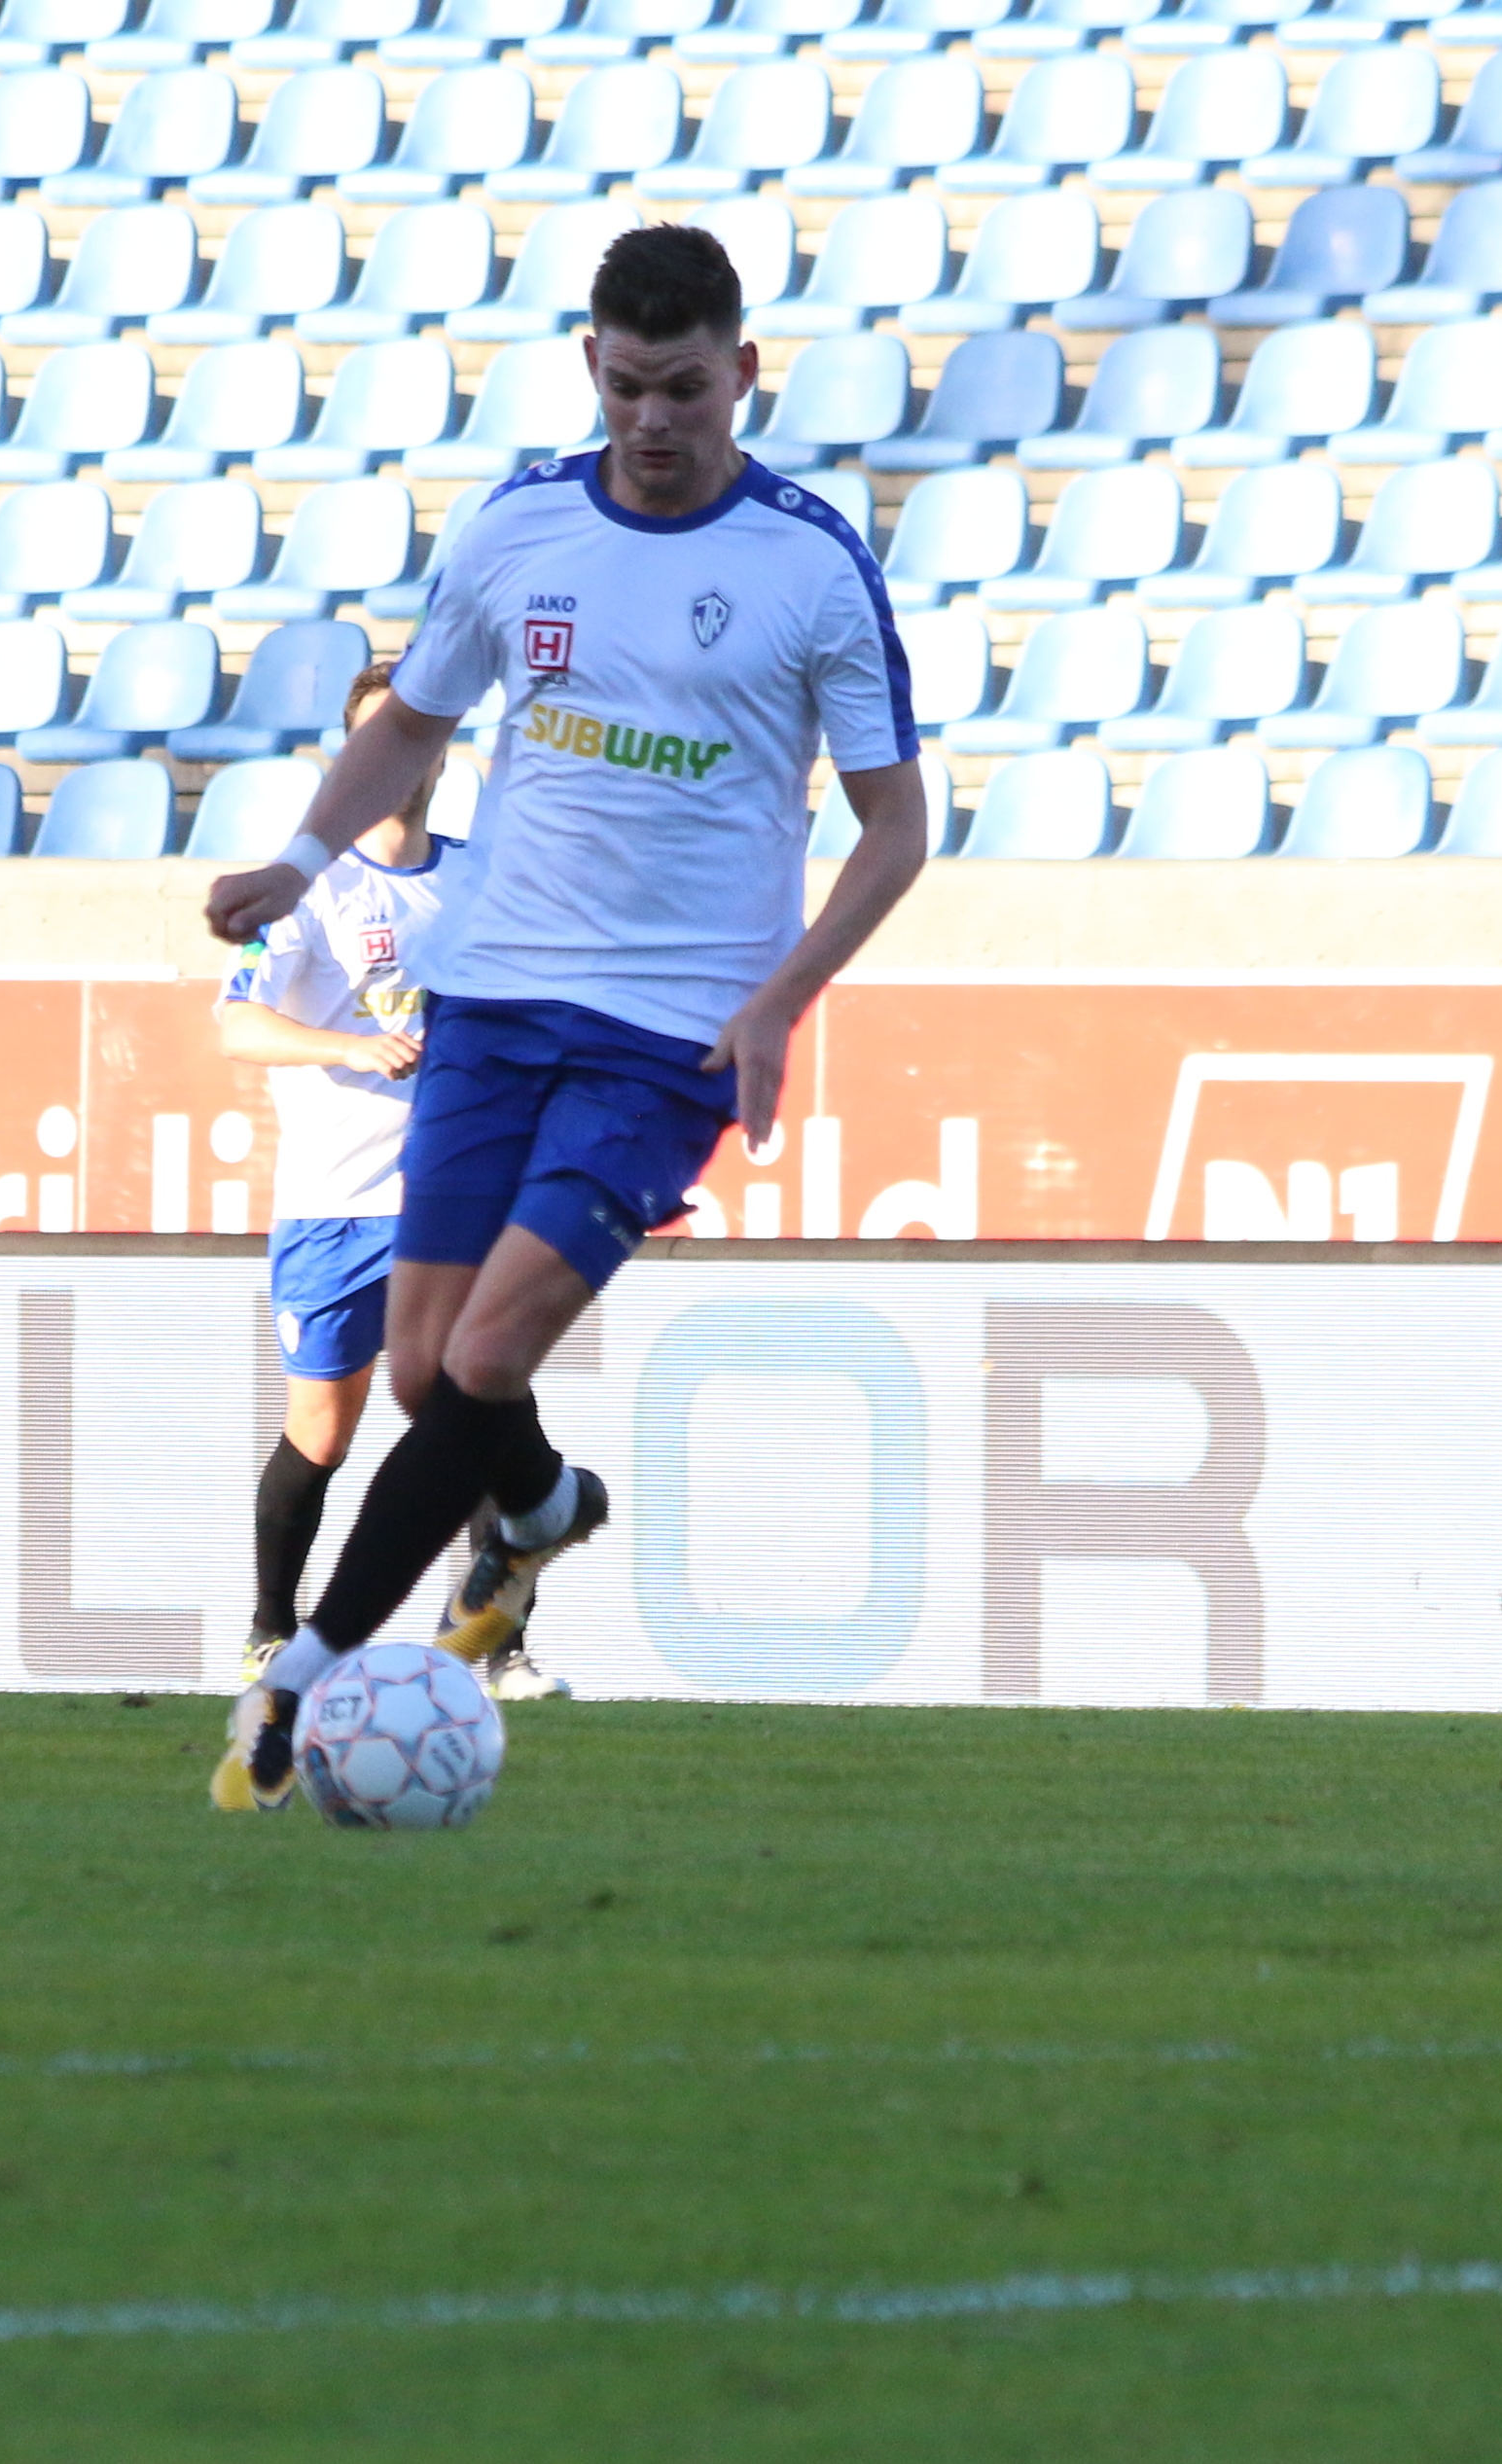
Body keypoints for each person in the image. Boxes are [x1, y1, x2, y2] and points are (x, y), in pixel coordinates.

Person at [197, 222, 932, 1809]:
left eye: (686, 388)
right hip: (492, 995)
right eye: (627, 387)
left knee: (488, 1342)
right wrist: (298, 860)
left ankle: (299, 1680)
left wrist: (783, 997)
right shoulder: (520, 526)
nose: (654, 420)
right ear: (590, 366)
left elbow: (896, 827)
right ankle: (538, 1505)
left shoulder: (810, 565)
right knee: (421, 1371)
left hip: (667, 1035)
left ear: (744, 374)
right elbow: (413, 724)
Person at [215, 664, 570, 1706]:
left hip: (454, 1197)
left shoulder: (479, 877)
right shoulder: (312, 888)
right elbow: (236, 1023)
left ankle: (496, 1648)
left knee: (476, 1407)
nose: (400, 758)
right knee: (322, 1432)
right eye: (381, 736)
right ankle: (271, 1630)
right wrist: (350, 1046)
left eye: (417, 737)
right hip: (333, 1201)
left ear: (438, 756)